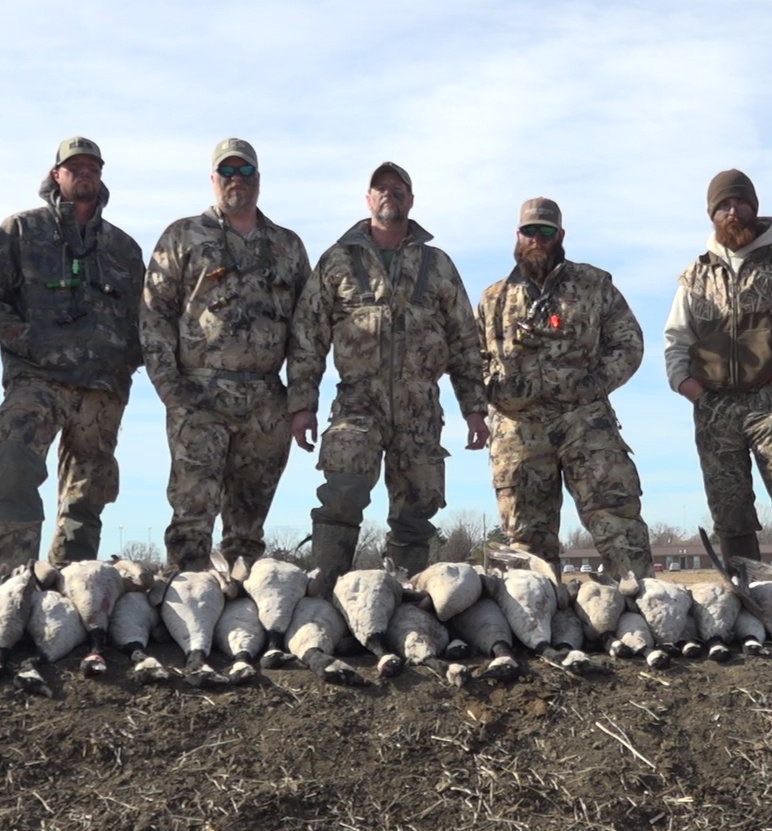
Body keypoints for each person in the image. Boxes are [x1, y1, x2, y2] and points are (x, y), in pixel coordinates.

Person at [140, 138, 323, 571]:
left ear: (258, 179)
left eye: (245, 172)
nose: (235, 181)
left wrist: (301, 403)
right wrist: (171, 390)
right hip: (198, 394)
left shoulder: (288, 246)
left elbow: (308, 330)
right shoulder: (182, 236)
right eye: (227, 172)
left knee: (247, 527)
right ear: (213, 179)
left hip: (265, 401)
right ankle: (185, 612)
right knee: (192, 513)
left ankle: (242, 623)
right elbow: (153, 315)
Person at [300, 161, 487, 584]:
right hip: (356, 403)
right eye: (381, 188)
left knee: (415, 511)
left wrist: (474, 409)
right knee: (341, 497)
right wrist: (302, 405)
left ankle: (407, 606)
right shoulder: (337, 261)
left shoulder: (437, 264)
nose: (390, 194)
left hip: (420, 406)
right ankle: (326, 594)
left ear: (411, 200)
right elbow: (307, 337)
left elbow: (464, 340)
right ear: (368, 199)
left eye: (399, 189)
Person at [0, 137, 145, 570]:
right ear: (56, 175)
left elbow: (148, 319)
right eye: (74, 167)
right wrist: (30, 342)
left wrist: (127, 359)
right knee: (15, 460)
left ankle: (74, 579)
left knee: (89, 489)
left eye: (92, 167)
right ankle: (14, 575)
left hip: (102, 388)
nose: (84, 173)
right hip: (37, 378)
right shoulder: (22, 230)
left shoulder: (124, 248)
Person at [663, 169, 772, 567]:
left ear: (753, 207)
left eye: (739, 202)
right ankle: (749, 589)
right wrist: (689, 386)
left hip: (770, 401)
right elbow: (676, 339)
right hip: (713, 405)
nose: (732, 211)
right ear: (712, 214)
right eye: (722, 205)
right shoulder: (695, 275)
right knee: (729, 505)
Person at [478, 198, 653, 578]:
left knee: (617, 520)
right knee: (527, 545)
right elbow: (470, 358)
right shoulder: (493, 298)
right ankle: (539, 631)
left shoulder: (593, 285)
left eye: (545, 231)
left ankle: (647, 616)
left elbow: (629, 343)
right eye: (530, 231)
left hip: (584, 422)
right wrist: (495, 392)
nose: (537, 240)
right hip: (517, 432)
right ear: (517, 234)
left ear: (560, 235)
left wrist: (593, 384)